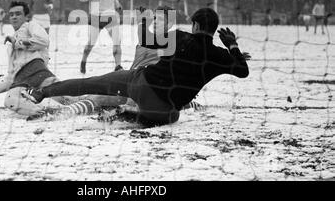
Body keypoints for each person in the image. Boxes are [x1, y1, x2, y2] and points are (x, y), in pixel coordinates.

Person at [28, 8, 249, 126]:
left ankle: (42, 92)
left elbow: (146, 39)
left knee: (90, 84)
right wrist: (232, 45)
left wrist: (145, 18)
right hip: (162, 107)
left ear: (196, 25)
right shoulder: (220, 56)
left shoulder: (180, 37)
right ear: (214, 29)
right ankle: (127, 116)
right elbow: (243, 70)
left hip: (140, 83)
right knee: (173, 117)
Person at [0, 1, 62, 116]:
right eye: (11, 14)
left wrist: (18, 43)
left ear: (26, 16)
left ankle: (91, 101)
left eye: (18, 14)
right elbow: (11, 78)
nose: (14, 16)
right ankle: (45, 113)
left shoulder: (31, 26)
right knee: (10, 101)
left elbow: (43, 41)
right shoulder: (10, 45)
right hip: (22, 79)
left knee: (66, 99)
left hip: (38, 71)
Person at [79, 0, 123, 74]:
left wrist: (118, 5)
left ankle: (118, 66)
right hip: (96, 17)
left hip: (110, 16)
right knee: (91, 43)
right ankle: (83, 61)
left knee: (117, 41)